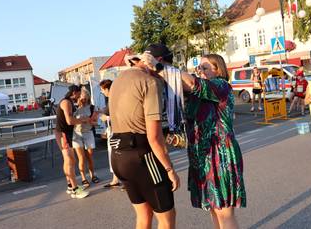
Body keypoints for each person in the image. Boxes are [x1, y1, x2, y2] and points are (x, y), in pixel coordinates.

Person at [143, 50, 246, 229]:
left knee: (224, 212)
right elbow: (180, 86)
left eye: (204, 67)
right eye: (198, 67)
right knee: (214, 208)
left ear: (218, 70)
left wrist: (160, 66)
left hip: (220, 155)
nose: (200, 70)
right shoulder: (198, 94)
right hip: (202, 155)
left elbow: (192, 82)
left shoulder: (221, 86)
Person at [109, 45, 180, 229]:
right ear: (159, 62)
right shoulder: (150, 82)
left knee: (143, 215)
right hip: (141, 156)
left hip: (118, 155)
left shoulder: (118, 79)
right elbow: (154, 137)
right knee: (167, 218)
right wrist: (169, 169)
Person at [54, 84, 90, 198]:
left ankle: (70, 186)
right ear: (75, 92)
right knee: (70, 160)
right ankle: (75, 189)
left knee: (68, 160)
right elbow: (69, 121)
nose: (80, 96)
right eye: (79, 93)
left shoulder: (69, 102)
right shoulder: (66, 102)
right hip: (63, 134)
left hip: (64, 133)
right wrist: (83, 120)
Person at [72, 88, 99, 189]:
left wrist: (91, 121)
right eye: (80, 98)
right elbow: (70, 121)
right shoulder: (74, 108)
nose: (82, 100)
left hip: (88, 133)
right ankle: (83, 178)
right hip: (77, 134)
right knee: (81, 158)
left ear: (87, 97)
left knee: (90, 156)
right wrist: (80, 120)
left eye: (84, 98)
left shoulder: (92, 108)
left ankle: (93, 175)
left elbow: (96, 122)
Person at [99, 79, 121, 188]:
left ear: (107, 89)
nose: (102, 92)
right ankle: (115, 179)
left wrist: (106, 117)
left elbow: (121, 115)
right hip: (112, 130)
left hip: (117, 131)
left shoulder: (115, 99)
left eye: (102, 90)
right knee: (112, 155)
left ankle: (126, 181)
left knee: (117, 155)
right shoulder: (111, 99)